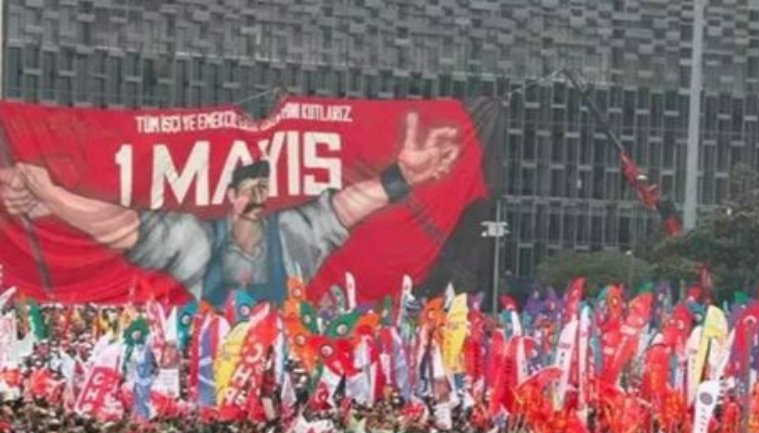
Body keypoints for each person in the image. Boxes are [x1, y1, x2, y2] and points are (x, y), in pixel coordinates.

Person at [0, 112, 462, 303]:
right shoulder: (196, 242)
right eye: (248, 190)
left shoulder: (295, 234)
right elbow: (123, 226)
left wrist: (402, 177)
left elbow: (346, 205)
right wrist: (55, 198)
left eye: (264, 189)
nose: (257, 199)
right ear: (231, 199)